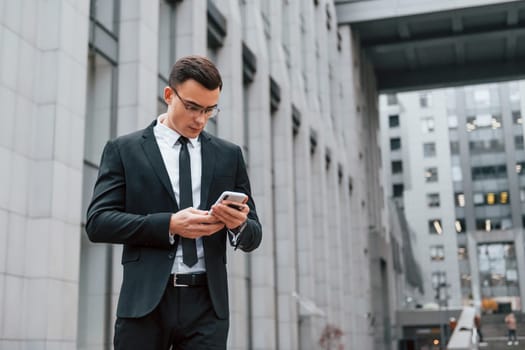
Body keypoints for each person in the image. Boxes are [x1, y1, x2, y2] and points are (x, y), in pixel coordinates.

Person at [86, 55, 262, 350]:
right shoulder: (124, 150)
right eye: (192, 107)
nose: (200, 119)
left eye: (209, 110)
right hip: (145, 304)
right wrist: (169, 224)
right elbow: (98, 223)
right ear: (169, 95)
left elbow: (254, 235)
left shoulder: (228, 155)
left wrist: (239, 224)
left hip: (208, 305)